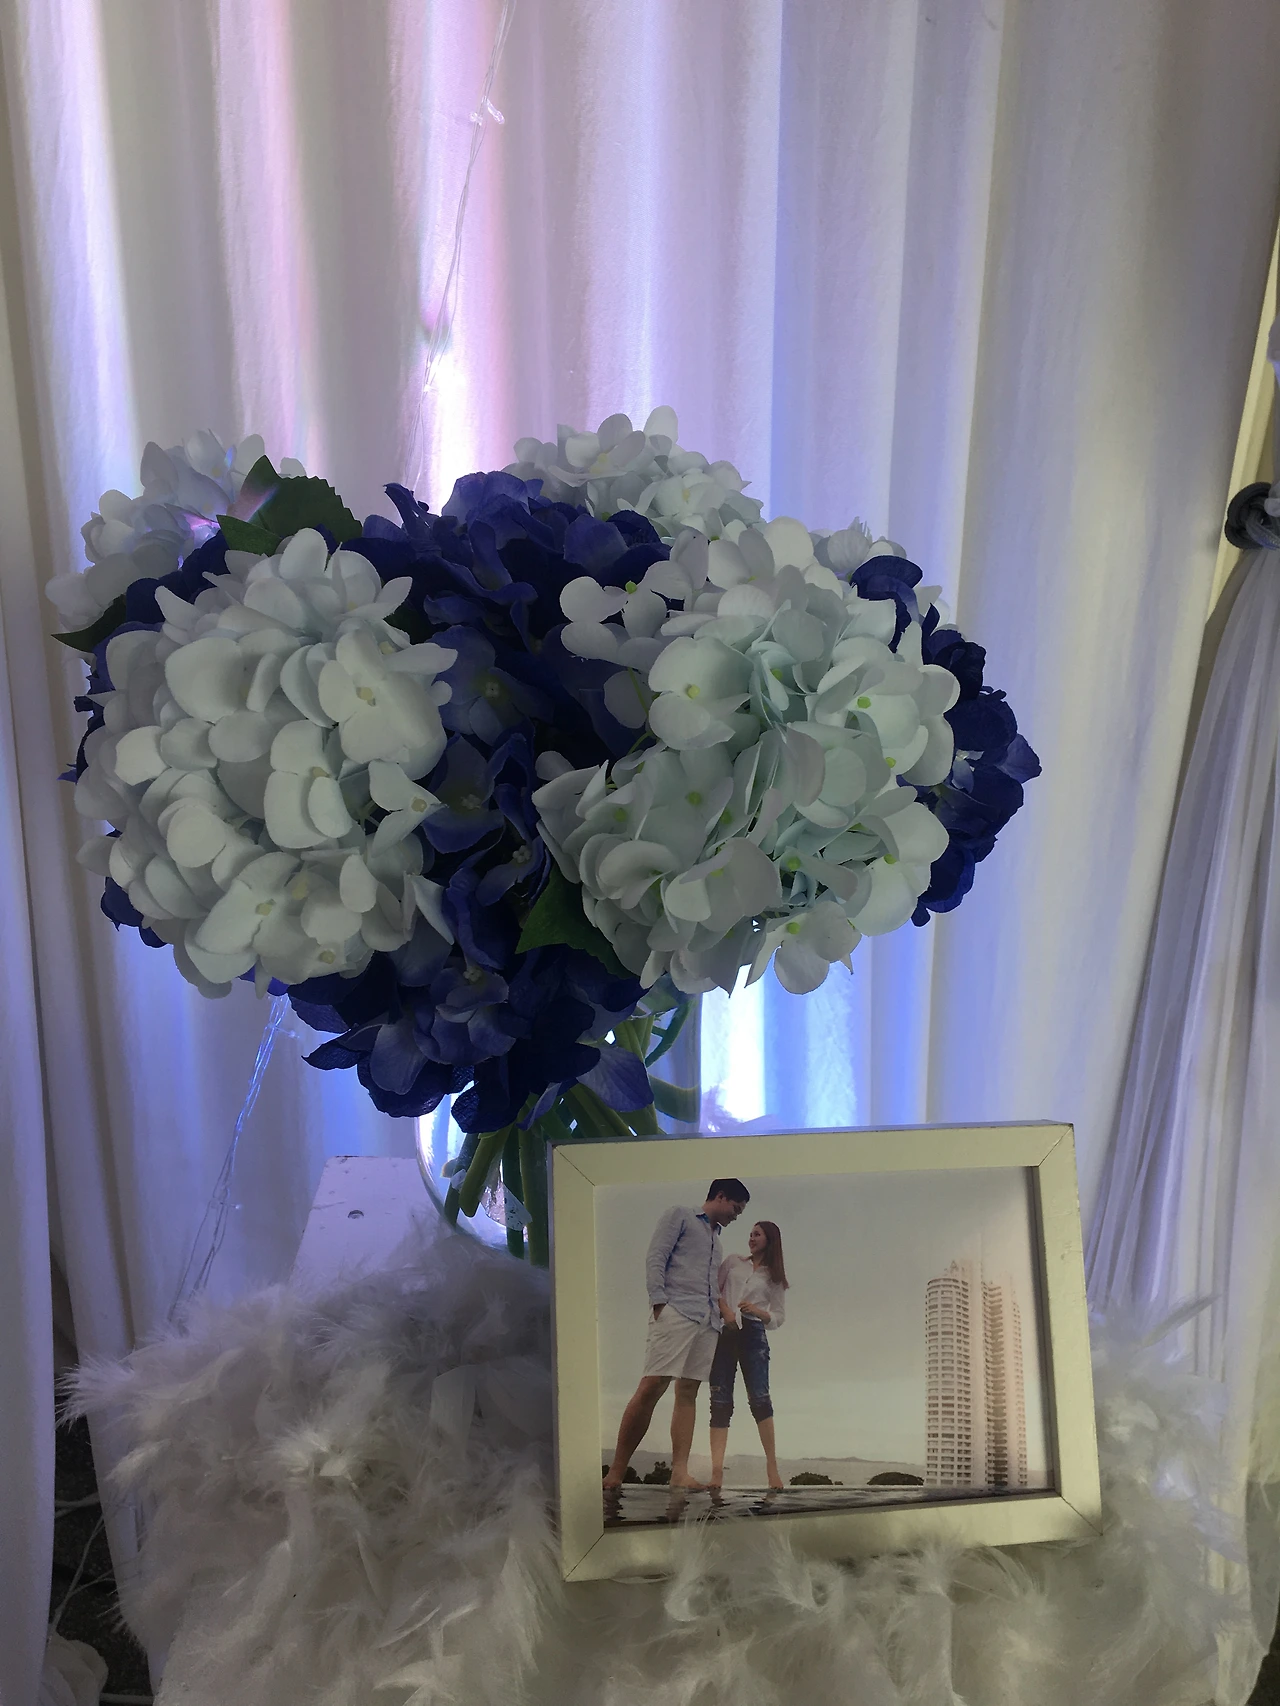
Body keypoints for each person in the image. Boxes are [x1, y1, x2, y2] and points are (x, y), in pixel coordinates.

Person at [601, 1179, 750, 1491]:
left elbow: (711, 1284)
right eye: (735, 1209)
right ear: (721, 1196)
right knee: (652, 1385)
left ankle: (679, 1472)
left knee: (688, 1393)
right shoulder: (680, 1215)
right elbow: (656, 1257)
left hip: (707, 1322)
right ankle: (616, 1472)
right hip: (676, 1311)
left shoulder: (717, 1241)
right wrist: (659, 1302)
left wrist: (721, 1315)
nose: (736, 1216)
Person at [708, 1220, 789, 1490]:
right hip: (725, 1332)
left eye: (757, 1234)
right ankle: (716, 1474)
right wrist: (726, 1312)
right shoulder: (733, 1262)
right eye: (750, 1234)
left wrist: (758, 1311)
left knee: (760, 1400)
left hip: (754, 1334)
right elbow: (713, 1289)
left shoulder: (774, 1277)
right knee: (720, 1402)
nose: (751, 1238)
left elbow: (779, 1316)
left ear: (769, 1240)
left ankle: (772, 1469)